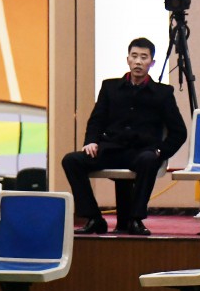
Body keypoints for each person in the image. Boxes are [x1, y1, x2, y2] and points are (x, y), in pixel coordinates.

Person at [62, 37, 187, 236]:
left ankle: (135, 220)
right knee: (71, 160)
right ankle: (94, 218)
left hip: (142, 152)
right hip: (112, 148)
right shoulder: (110, 87)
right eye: (134, 56)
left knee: (149, 160)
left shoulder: (162, 93)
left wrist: (160, 151)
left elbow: (179, 132)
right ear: (127, 59)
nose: (138, 61)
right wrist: (91, 141)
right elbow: (96, 119)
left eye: (144, 57)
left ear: (151, 63)